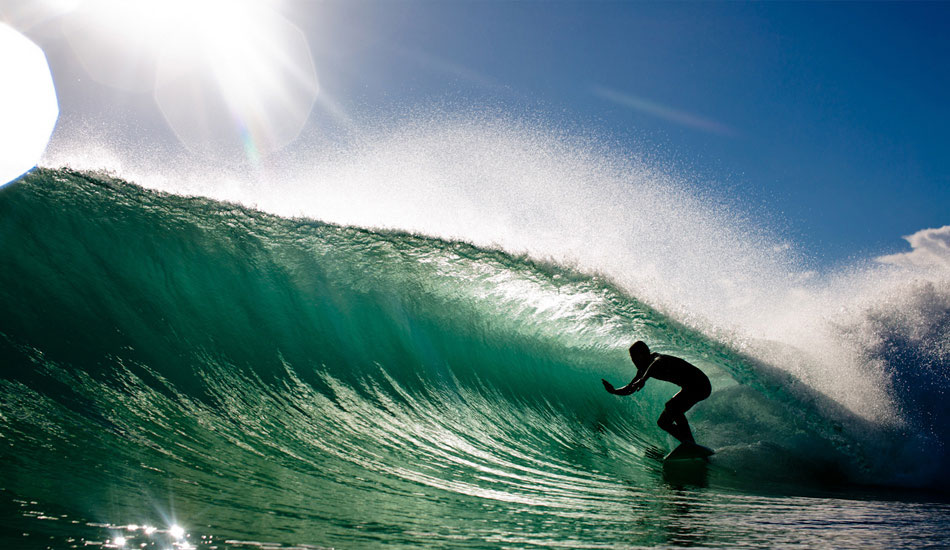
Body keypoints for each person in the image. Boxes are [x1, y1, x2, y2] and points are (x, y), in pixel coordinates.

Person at [602, 341, 711, 445]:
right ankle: (688, 443)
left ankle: (690, 442)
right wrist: (614, 391)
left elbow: (657, 363)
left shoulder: (656, 358)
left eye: (634, 357)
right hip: (690, 387)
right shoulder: (643, 370)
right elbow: (630, 388)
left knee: (672, 406)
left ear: (643, 355)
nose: (633, 361)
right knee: (663, 422)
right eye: (632, 358)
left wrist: (643, 379)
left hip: (700, 384)